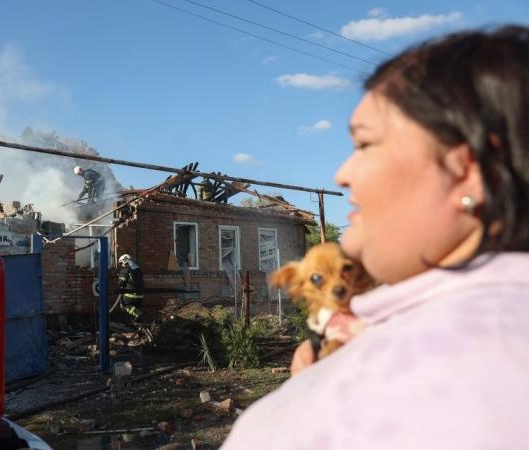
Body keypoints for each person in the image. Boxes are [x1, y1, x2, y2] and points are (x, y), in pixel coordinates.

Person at [221, 25, 529, 449]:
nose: (342, 174)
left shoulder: (405, 383)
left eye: (365, 144)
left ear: (468, 171)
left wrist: (314, 401)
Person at [117, 253, 145, 321]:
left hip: (130, 294)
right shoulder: (138, 268)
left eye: (121, 263)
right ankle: (139, 323)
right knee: (135, 309)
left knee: (125, 305)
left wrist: (119, 281)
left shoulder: (125, 269)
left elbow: (121, 283)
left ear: (124, 260)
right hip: (141, 294)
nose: (121, 265)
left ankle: (138, 314)